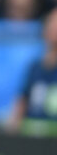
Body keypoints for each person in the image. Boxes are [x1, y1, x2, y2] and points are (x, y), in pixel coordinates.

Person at [8, 8, 57, 137]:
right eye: (51, 24)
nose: (53, 29)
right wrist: (13, 128)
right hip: (32, 138)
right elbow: (22, 101)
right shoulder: (34, 67)